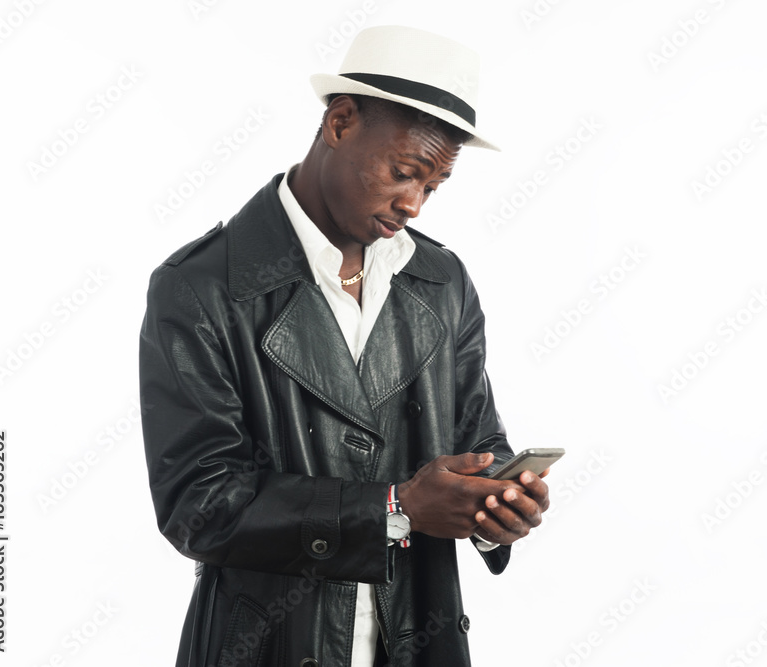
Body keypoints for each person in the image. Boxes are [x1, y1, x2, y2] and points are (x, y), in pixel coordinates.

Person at [139, 25, 550, 667]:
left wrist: (499, 502)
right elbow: (200, 505)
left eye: (433, 186)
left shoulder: (441, 282)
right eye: (404, 173)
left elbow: (477, 438)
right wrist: (394, 508)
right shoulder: (202, 287)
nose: (414, 204)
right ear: (340, 122)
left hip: (418, 636)